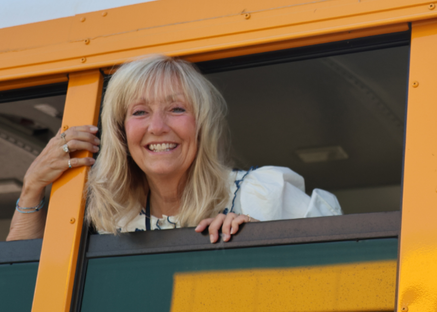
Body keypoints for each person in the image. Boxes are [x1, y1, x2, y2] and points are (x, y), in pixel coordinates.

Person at [6, 53, 342, 243]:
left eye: (177, 109)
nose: (157, 127)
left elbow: (349, 261)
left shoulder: (262, 193)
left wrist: (261, 241)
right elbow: (25, 289)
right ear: (121, 132)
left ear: (201, 124)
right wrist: (33, 187)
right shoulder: (108, 216)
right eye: (140, 112)